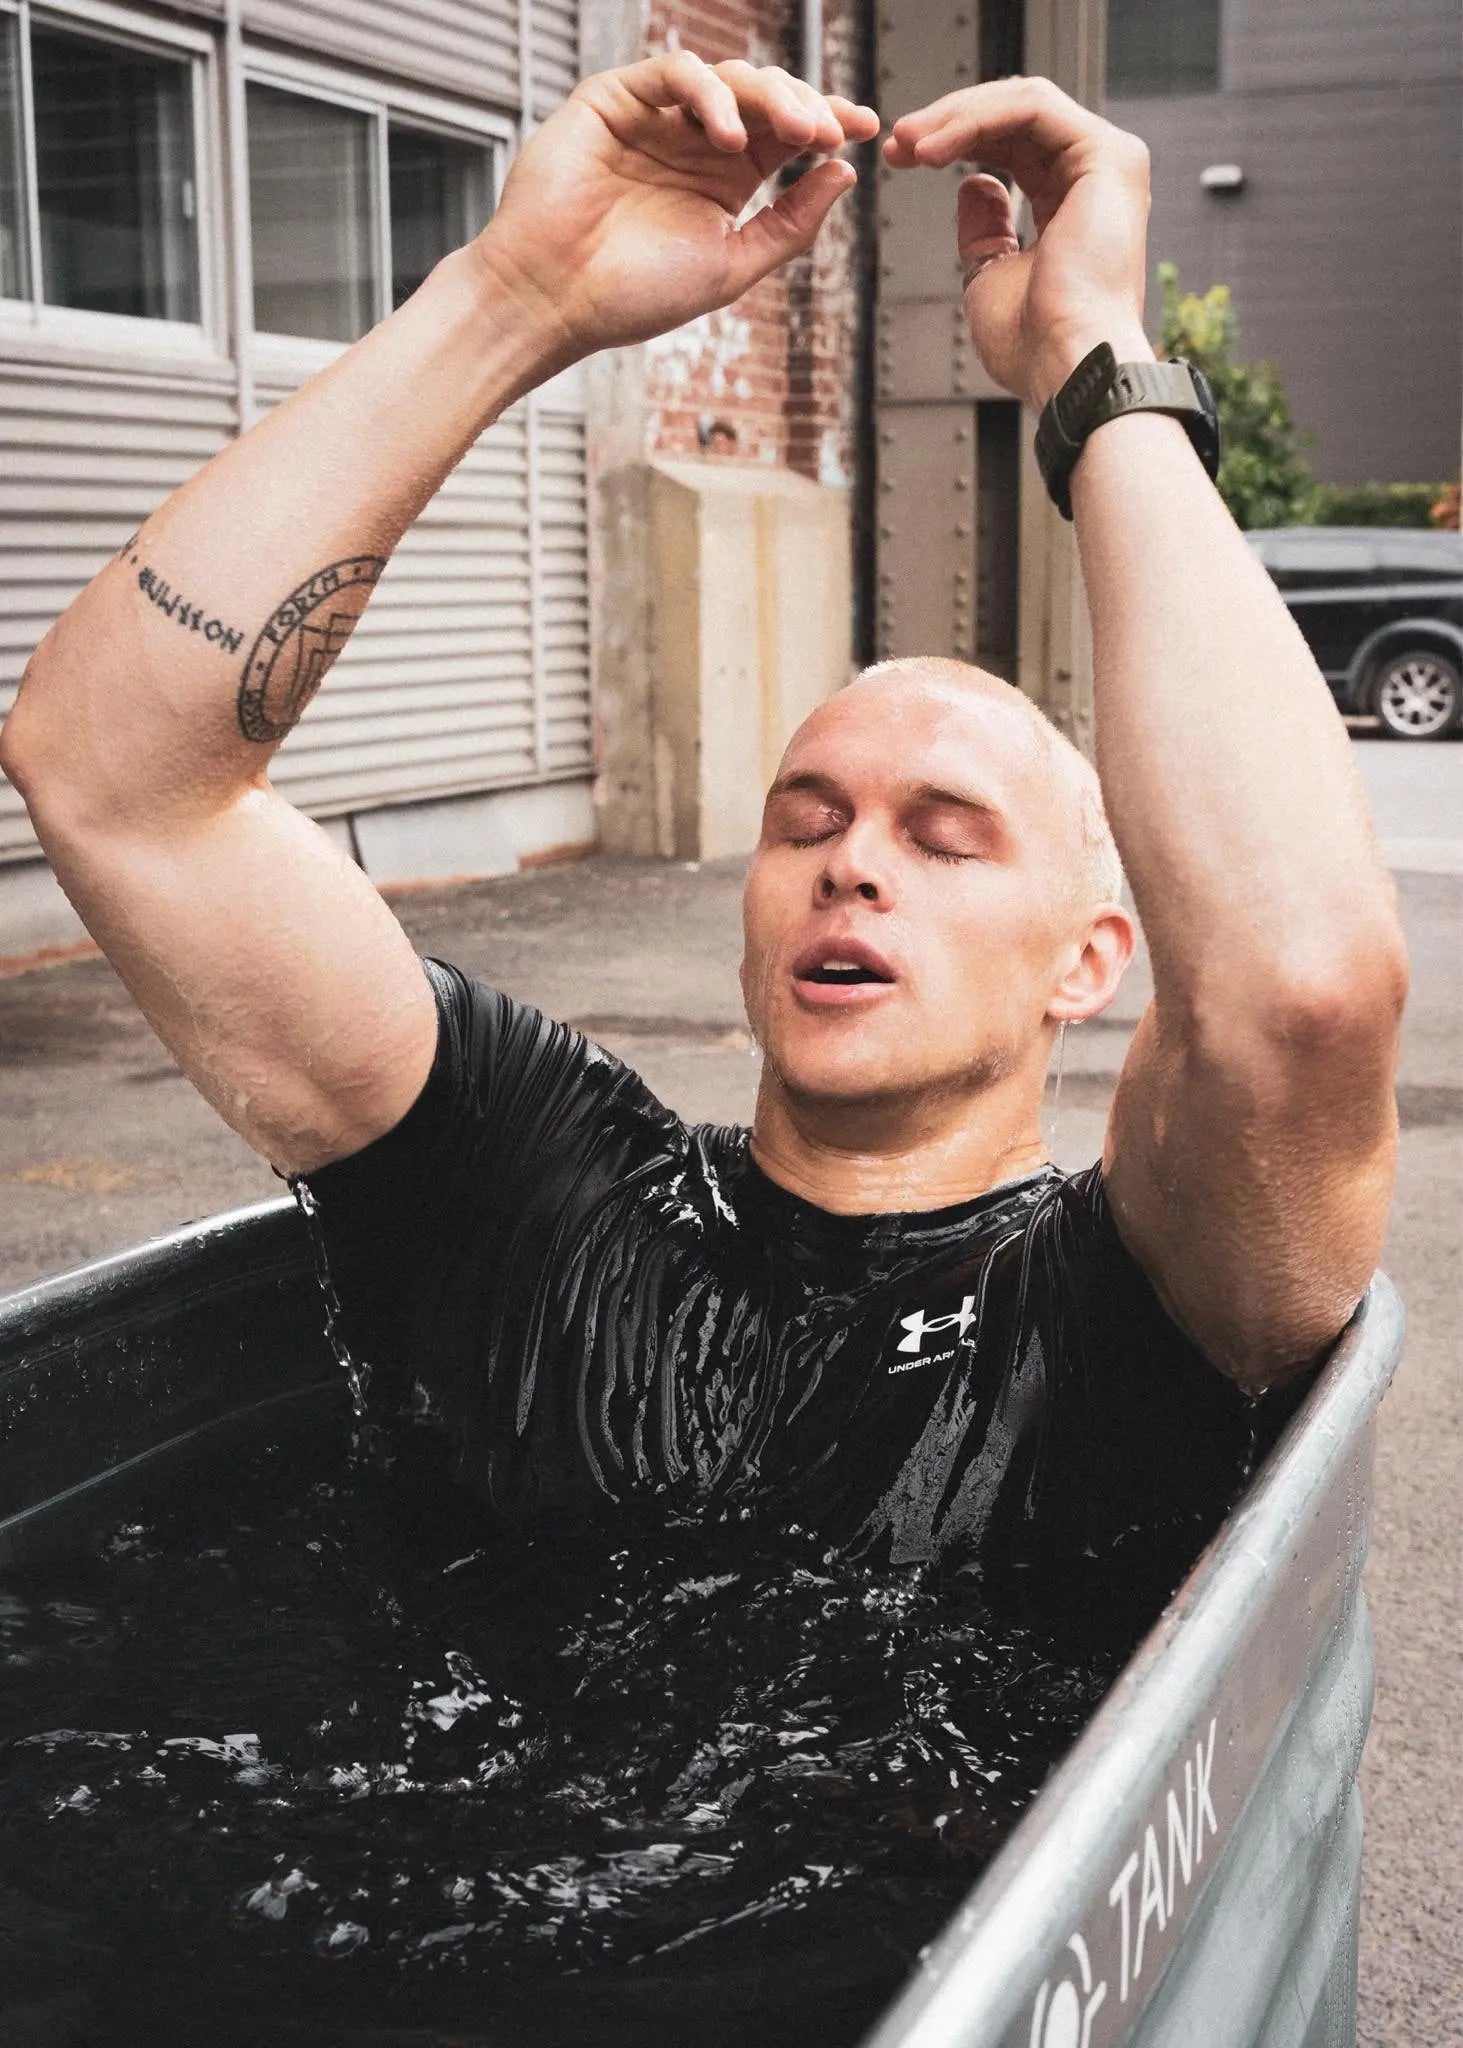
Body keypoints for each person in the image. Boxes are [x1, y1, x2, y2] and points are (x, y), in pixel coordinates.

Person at [0, 58, 1406, 1578]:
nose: (852, 866)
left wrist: (1094, 357)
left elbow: (1297, 993)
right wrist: (514, 296)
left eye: (945, 840)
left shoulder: (1132, 1290)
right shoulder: (535, 1183)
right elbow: (113, 775)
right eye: (805, 824)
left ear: (1091, 961)